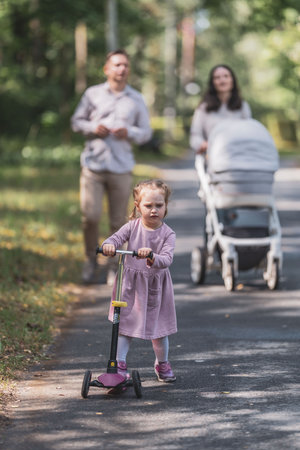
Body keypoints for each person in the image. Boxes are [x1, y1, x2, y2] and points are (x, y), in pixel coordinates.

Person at [71, 49, 152, 284]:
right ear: (106, 69)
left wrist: (131, 132)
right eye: (116, 65)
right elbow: (76, 122)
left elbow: (146, 132)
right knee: (91, 217)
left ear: (129, 69)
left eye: (125, 65)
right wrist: (92, 127)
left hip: (121, 167)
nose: (121, 68)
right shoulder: (92, 94)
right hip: (93, 167)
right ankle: (89, 260)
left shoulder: (136, 98)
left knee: (118, 222)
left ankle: (113, 266)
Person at [102, 179, 177, 383]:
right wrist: (108, 245)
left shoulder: (168, 234)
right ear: (137, 206)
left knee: (159, 330)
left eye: (159, 206)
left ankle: (162, 363)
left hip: (155, 287)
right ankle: (119, 364)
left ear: (165, 206)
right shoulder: (131, 227)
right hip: (130, 286)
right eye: (148, 206)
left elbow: (167, 259)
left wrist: (152, 255)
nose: (154, 210)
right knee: (124, 326)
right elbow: (115, 240)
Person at [190, 64, 252, 154]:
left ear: (232, 80)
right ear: (213, 82)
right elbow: (195, 134)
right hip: (212, 156)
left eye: (226, 76)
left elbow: (249, 132)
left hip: (238, 156)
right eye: (217, 77)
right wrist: (201, 144)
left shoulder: (242, 106)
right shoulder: (204, 107)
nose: (222, 80)